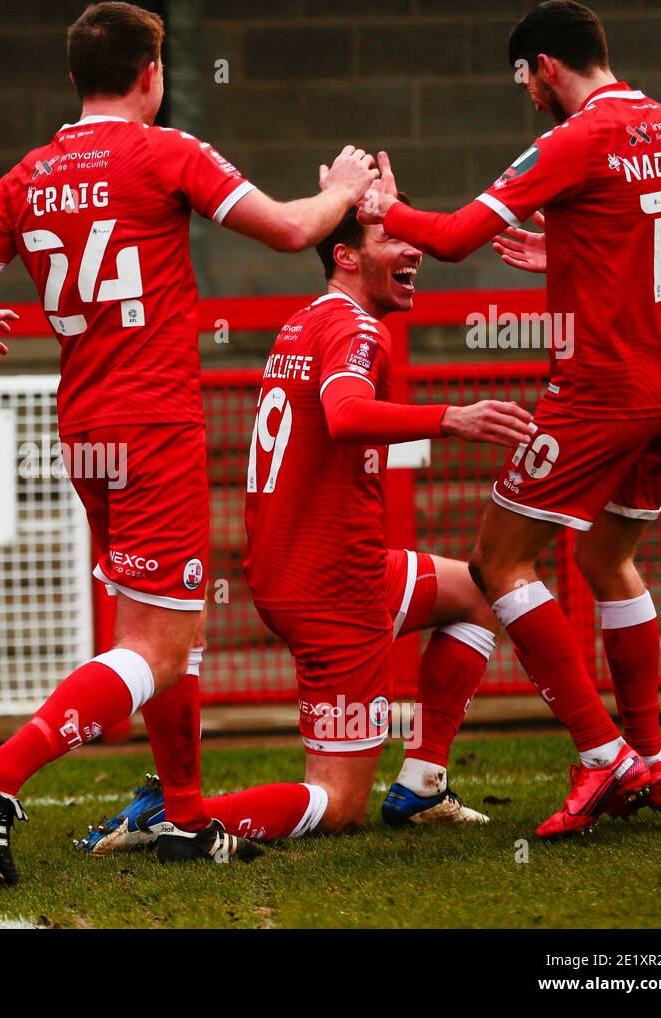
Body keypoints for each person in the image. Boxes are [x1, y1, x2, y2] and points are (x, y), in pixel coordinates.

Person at [0, 1, 379, 883]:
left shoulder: (29, 175)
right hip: (156, 422)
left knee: (169, 629)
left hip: (87, 426)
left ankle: (181, 816)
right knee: (162, 644)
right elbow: (292, 229)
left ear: (74, 79)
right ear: (152, 76)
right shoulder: (163, 150)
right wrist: (347, 188)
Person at [78, 171, 535, 853]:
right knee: (340, 803)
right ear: (346, 256)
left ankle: (423, 784)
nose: (412, 249)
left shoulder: (308, 318)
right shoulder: (356, 330)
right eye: (391, 236)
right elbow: (347, 413)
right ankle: (180, 816)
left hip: (316, 569)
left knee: (477, 592)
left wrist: (366, 202)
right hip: (333, 594)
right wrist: (454, 418)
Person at [358, 0, 661, 836]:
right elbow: (641, 239)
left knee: (495, 560)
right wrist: (572, 249)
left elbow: (451, 238)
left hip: (603, 389)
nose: (528, 100)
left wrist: (381, 208)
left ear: (544, 67)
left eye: (525, 82)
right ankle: (652, 761)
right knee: (609, 557)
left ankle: (601, 753)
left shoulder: (576, 137)